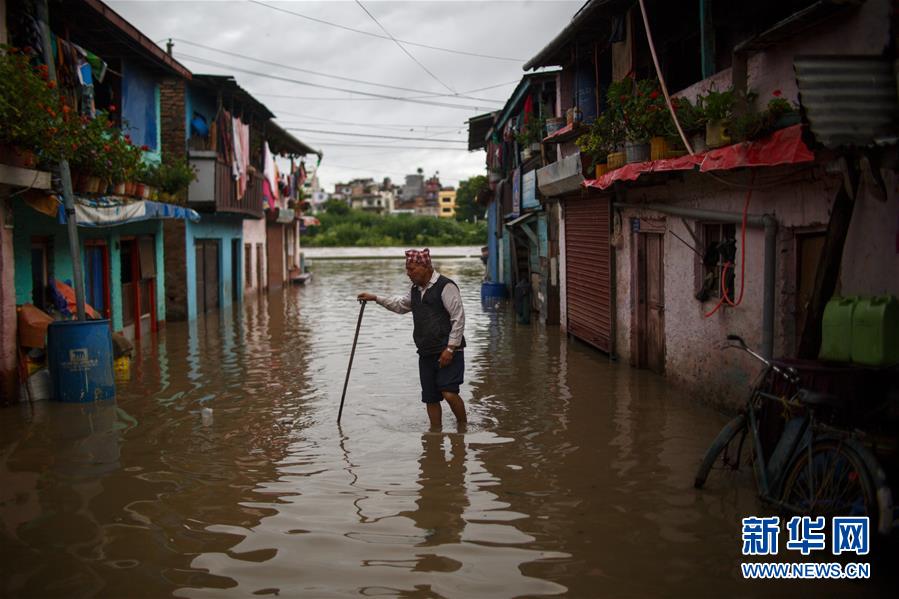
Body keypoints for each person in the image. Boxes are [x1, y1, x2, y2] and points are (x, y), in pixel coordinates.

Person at [358, 248, 467, 429]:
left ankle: (463, 426)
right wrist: (375, 298)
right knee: (430, 397)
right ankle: (435, 431)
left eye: (412, 269)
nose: (408, 274)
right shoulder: (416, 290)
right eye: (407, 270)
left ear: (426, 267)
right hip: (426, 350)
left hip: (447, 350)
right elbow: (400, 305)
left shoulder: (445, 286)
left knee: (449, 392)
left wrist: (450, 348)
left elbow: (458, 318)